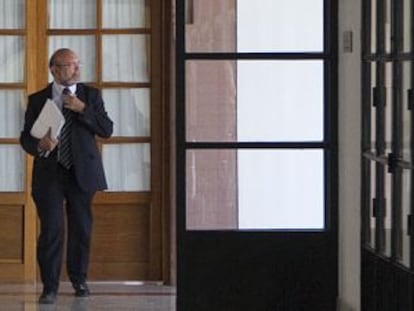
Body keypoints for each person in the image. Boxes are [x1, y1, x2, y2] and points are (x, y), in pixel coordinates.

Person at [20, 48, 113, 304]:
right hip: (50, 173)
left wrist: (83, 109)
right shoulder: (38, 99)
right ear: (54, 69)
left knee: (81, 228)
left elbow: (107, 129)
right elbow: (26, 138)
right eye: (69, 65)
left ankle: (79, 280)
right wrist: (40, 146)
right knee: (52, 229)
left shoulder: (90, 96)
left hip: (82, 172)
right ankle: (49, 286)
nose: (76, 70)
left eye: (76, 64)